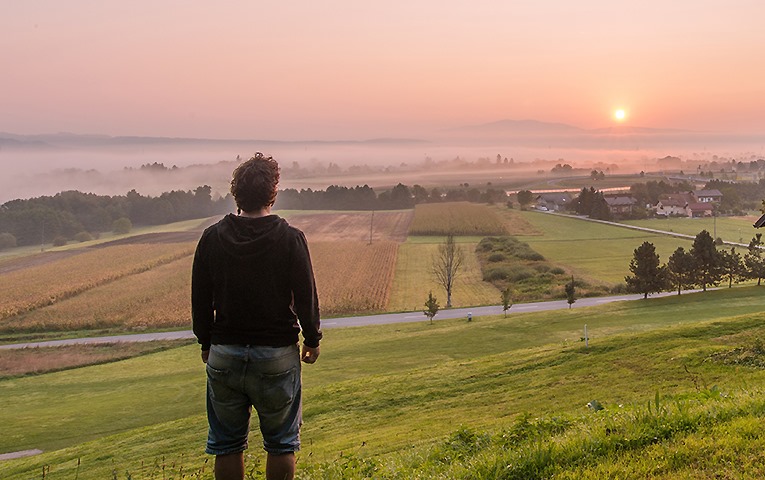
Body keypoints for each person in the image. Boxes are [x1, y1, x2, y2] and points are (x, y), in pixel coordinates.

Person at [192, 152, 322, 480]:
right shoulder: (291, 238)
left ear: (236, 192)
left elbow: (200, 300)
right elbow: (306, 295)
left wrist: (206, 343)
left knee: (226, 445)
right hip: (276, 355)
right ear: (272, 192)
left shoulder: (211, 237)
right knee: (281, 444)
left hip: (224, 353)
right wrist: (312, 339)